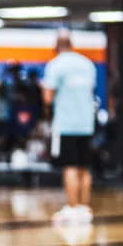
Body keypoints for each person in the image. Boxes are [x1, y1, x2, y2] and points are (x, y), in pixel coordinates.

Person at [42, 30, 97, 224]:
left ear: (56, 46)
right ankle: (84, 208)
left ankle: (73, 208)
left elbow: (48, 97)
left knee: (70, 166)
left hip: (66, 123)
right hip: (87, 123)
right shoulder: (87, 64)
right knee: (84, 167)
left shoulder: (55, 65)